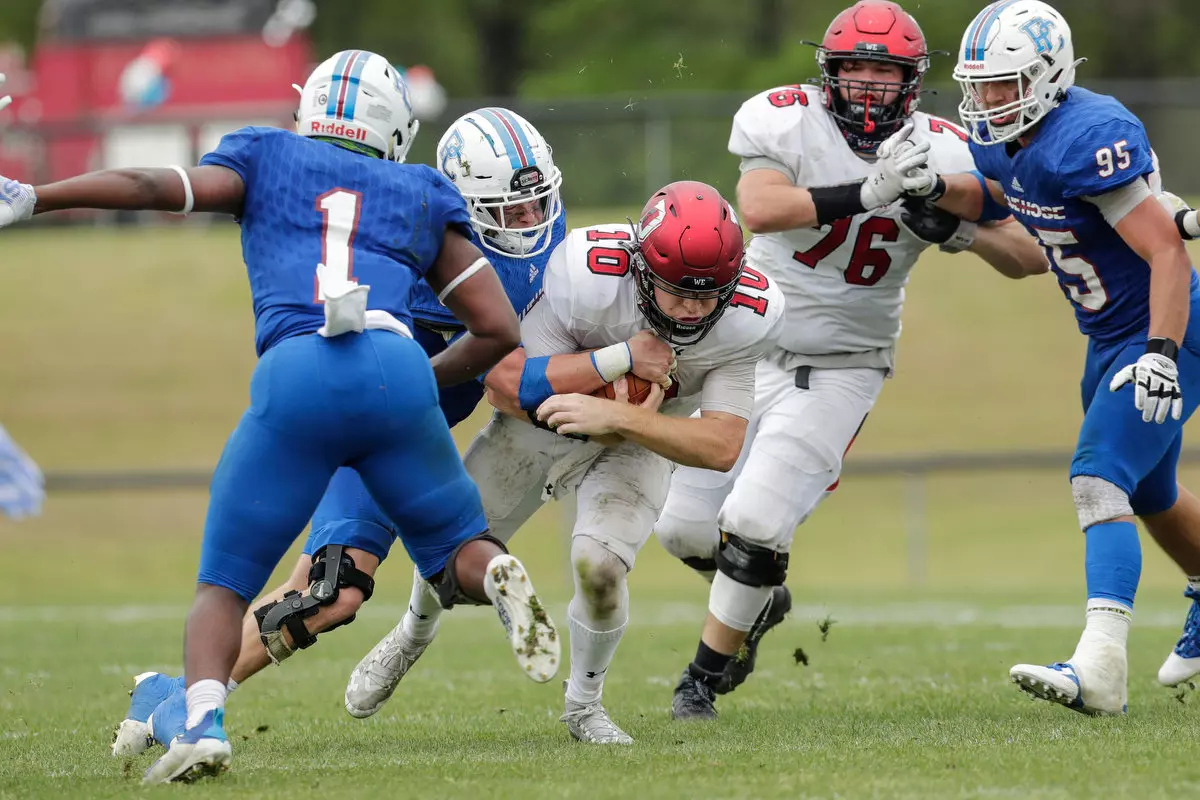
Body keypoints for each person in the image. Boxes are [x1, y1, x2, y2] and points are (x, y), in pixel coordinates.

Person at [0, 50, 560, 781]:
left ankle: (197, 718)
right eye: (508, 208)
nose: (525, 221)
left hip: (307, 368)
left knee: (225, 580)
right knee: (379, 575)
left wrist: (34, 197)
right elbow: (499, 334)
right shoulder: (421, 193)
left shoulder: (268, 154)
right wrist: (413, 383)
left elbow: (152, 185)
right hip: (397, 382)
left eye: (532, 205)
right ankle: (494, 574)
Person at [652, 0, 1049, 721]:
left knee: (756, 519)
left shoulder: (945, 150)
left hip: (841, 364)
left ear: (912, 80)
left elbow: (1029, 255)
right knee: (680, 529)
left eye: (884, 71)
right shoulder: (786, 119)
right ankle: (759, 594)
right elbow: (760, 208)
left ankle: (700, 680)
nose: (868, 83)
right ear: (828, 72)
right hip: (748, 351)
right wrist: (868, 193)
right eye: (855, 67)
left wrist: (955, 229)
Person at [345, 180, 785, 744]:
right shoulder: (586, 277)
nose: (694, 309)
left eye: (710, 295)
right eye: (677, 291)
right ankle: (413, 632)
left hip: (643, 440)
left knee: (599, 570)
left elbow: (722, 446)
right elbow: (506, 387)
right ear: (641, 267)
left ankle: (584, 707)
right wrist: (614, 367)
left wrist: (619, 418)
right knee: (456, 542)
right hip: (546, 420)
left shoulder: (750, 314)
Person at [914, 0, 1200, 715]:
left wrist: (1162, 353)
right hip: (1105, 337)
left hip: (1165, 327)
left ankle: (1101, 666)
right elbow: (1000, 196)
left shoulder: (1088, 137)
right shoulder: (1007, 141)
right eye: (979, 86)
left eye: (1002, 85)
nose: (987, 101)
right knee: (1150, 494)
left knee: (1098, 479)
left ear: (1047, 77)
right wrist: (934, 188)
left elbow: (1168, 250)